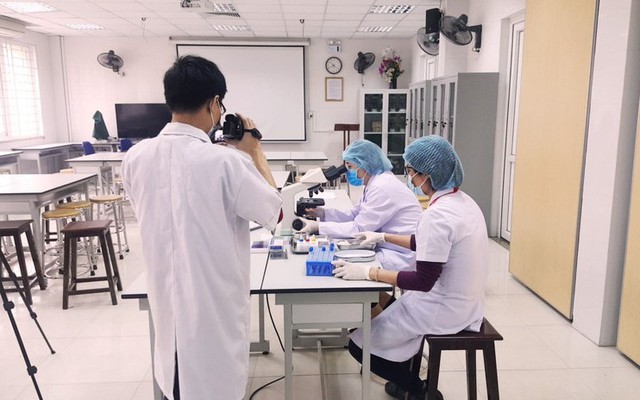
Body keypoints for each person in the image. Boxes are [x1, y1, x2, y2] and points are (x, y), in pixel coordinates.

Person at [122, 55, 283, 400]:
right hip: (212, 309)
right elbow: (275, 212)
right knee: (212, 383)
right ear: (214, 104)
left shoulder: (135, 157)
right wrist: (255, 152)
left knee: (177, 380)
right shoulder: (228, 162)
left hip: (166, 301)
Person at [331, 135, 489, 400]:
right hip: (468, 304)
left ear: (426, 175)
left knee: (359, 347)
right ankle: (406, 375)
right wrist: (383, 236)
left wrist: (368, 272)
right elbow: (426, 242)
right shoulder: (462, 202)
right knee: (388, 305)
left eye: (411, 172)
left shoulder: (436, 215)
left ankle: (420, 391)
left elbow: (422, 281)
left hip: (442, 308)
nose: (410, 179)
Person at [297, 139, 422, 272]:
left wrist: (318, 227)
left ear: (365, 164)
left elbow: (359, 229)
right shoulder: (374, 182)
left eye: (350, 167)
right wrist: (322, 213)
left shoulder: (382, 187)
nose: (348, 172)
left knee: (341, 264)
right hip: (389, 246)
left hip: (401, 255)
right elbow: (355, 214)